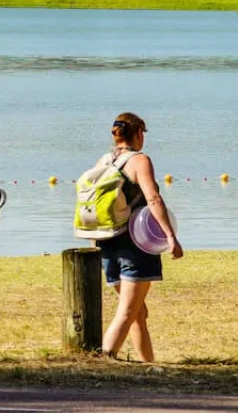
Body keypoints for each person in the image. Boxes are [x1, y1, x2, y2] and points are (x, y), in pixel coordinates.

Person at [97, 111, 182, 362]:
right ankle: (104, 359)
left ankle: (148, 365)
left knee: (137, 313)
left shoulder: (103, 161)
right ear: (138, 134)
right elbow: (153, 198)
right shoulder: (139, 160)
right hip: (135, 244)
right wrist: (170, 236)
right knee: (127, 311)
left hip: (107, 242)